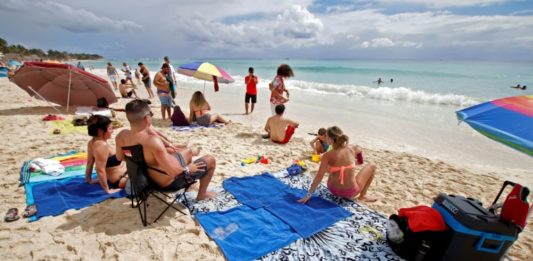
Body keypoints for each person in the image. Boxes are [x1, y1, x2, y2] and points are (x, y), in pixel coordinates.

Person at [115, 99, 217, 201]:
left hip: (145, 178)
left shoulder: (121, 136)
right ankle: (202, 194)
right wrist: (188, 168)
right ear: (147, 118)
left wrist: (146, 161)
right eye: (151, 113)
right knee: (210, 160)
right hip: (166, 183)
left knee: (187, 151)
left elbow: (120, 157)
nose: (151, 115)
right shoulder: (152, 141)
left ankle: (189, 185)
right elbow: (173, 172)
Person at [298, 126, 377, 203]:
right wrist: (349, 165)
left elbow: (319, 177)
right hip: (350, 193)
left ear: (330, 139)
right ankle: (363, 196)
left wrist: (308, 195)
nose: (326, 138)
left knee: (333, 167)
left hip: (333, 190)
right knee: (372, 165)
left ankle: (341, 170)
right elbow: (360, 162)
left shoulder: (327, 155)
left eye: (327, 136)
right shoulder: (355, 147)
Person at [85, 115, 128, 194]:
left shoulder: (92, 142)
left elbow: (89, 162)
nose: (112, 131)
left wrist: (88, 179)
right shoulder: (102, 145)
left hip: (122, 176)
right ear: (100, 131)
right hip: (122, 179)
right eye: (110, 128)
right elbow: (100, 169)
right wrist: (107, 190)